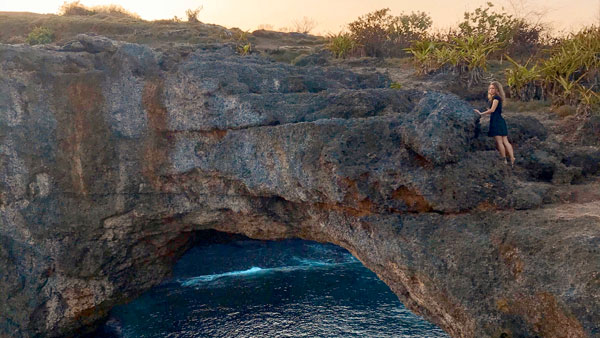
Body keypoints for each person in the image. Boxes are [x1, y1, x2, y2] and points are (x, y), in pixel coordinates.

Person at [474, 81, 515, 167]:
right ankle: (512, 158)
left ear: (497, 89)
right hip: (499, 120)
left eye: (493, 88)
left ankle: (504, 160)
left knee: (500, 142)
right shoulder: (498, 98)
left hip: (497, 121)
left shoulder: (496, 98)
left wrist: (481, 113)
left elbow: (492, 110)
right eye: (490, 88)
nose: (491, 90)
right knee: (505, 141)